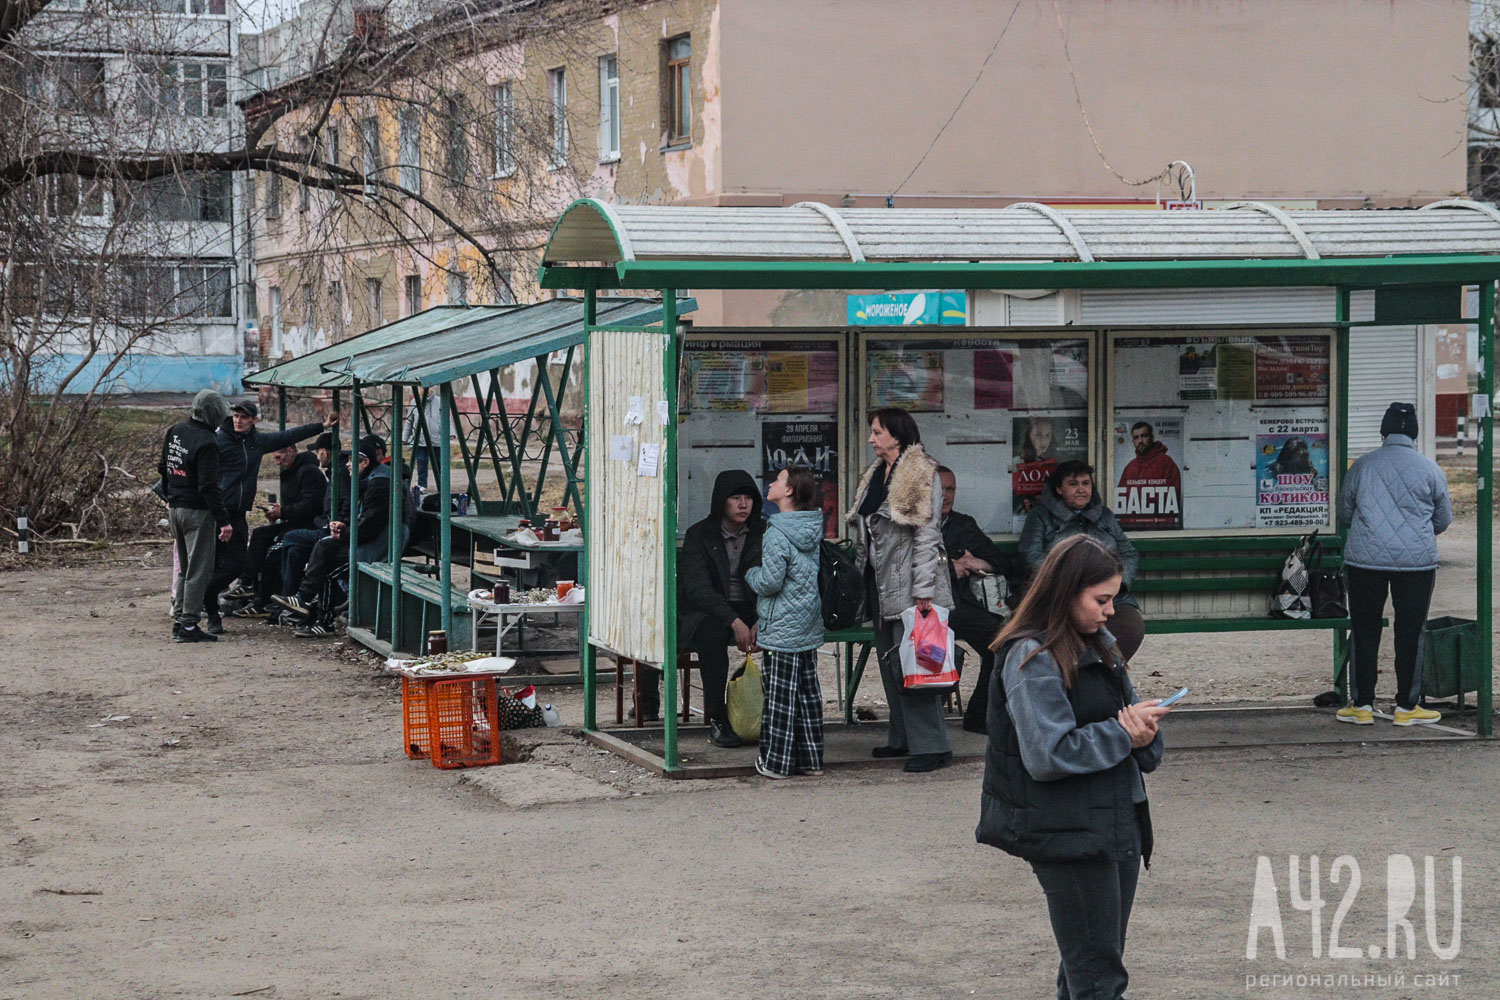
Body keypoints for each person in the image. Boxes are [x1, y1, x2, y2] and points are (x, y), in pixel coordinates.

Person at [977, 535, 1168, 1000]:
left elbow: (1130, 731)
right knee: (1098, 979)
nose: (1110, 611)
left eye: (1113, 599)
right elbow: (1049, 753)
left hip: (1116, 823)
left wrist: (1143, 731)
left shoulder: (1100, 643)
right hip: (1069, 833)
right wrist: (1125, 734)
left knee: (1089, 970)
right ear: (1066, 591)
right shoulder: (1030, 655)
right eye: (1101, 600)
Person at [847, 406, 954, 773]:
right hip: (880, 585)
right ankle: (903, 738)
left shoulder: (920, 472)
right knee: (893, 664)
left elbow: (927, 535)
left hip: (912, 587)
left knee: (918, 665)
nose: (872, 439)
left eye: (877, 432)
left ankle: (933, 746)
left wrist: (923, 590)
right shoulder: (878, 473)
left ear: (896, 434)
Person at [1335, 402, 1452, 727]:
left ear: (1384, 431)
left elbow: (1344, 512)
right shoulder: (1430, 469)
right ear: (1413, 433)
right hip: (1416, 565)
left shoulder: (1363, 466)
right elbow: (1443, 519)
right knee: (1411, 632)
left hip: (1364, 563)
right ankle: (1406, 707)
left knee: (1364, 629)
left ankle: (1362, 705)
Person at [646, 470, 764, 747]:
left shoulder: (763, 531)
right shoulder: (700, 535)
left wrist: (763, 618)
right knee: (711, 635)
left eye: (748, 497)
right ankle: (718, 717)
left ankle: (774, 716)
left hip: (754, 606)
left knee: (782, 633)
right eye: (735, 498)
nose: (743, 504)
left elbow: (773, 580)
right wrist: (734, 621)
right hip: (712, 610)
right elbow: (698, 589)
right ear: (721, 502)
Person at [205, 400, 332, 633]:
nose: (239, 420)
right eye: (236, 416)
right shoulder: (219, 440)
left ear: (254, 420)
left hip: (238, 513)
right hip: (216, 510)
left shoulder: (257, 443)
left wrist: (321, 425)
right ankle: (205, 610)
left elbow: (288, 435)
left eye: (244, 417)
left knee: (237, 561)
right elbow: (197, 465)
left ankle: (234, 590)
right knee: (209, 562)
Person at [745, 466, 826, 779]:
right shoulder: (810, 527)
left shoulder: (777, 531)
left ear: (789, 491)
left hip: (781, 625)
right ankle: (811, 759)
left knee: (779, 695)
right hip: (807, 621)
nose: (772, 483)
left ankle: (775, 762)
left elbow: (771, 582)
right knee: (808, 693)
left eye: (779, 480)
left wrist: (751, 574)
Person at [1020, 460, 1145, 661]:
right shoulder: (1040, 516)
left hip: (1110, 596)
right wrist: (1068, 581)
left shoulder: (1105, 516)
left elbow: (1128, 553)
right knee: (1058, 631)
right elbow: (1031, 555)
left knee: (1130, 627)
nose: (1081, 489)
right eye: (1073, 483)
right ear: (1059, 489)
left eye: (1085, 483)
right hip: (1059, 595)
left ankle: (1106, 677)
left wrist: (1118, 585)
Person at [272, 439, 392, 633]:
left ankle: (318, 617)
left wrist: (343, 531)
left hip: (377, 547)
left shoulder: (379, 485)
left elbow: (369, 527)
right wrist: (344, 526)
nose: (347, 464)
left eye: (352, 460)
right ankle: (305, 603)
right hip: (369, 541)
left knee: (326, 562)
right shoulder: (372, 480)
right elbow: (365, 521)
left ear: (365, 462)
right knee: (318, 548)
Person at [936, 466, 1017, 734]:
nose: (946, 496)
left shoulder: (962, 524)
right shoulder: (914, 523)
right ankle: (927, 727)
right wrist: (950, 568)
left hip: (960, 607)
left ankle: (979, 716)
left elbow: (1002, 562)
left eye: (951, 489)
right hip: (924, 608)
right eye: (940, 489)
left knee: (1000, 642)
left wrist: (980, 562)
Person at [159, 390, 233, 643]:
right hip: (197, 512)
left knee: (184, 567)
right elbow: (209, 486)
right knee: (199, 570)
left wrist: (173, 494)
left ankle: (180, 617)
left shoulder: (176, 430)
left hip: (175, 508)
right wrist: (223, 520)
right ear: (214, 413)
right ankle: (189, 624)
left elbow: (163, 468)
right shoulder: (208, 441)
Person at [225, 444, 325, 614]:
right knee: (259, 535)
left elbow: (312, 504)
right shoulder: (291, 472)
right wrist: (279, 512)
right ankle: (247, 582)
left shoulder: (308, 472)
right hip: (293, 522)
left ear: (291, 452)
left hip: (307, 526)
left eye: (279, 457)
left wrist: (284, 511)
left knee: (272, 553)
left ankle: (264, 600)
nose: (277, 462)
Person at [1115, 421, 1182, 529]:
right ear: (1133, 441)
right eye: (1136, 438)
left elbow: (1172, 504)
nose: (1140, 441)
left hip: (1157, 532)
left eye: (1144, 436)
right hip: (1132, 532)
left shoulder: (1166, 463)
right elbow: (1121, 504)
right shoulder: (1129, 467)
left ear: (1152, 437)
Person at [403, 391, 445, 490]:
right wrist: (404, 437)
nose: (424, 389)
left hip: (436, 439)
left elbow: (446, 419)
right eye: (420, 387)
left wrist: (451, 433)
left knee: (439, 462)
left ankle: (442, 485)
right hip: (420, 439)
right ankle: (422, 485)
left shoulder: (439, 401)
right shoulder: (414, 402)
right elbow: (409, 421)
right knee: (421, 462)